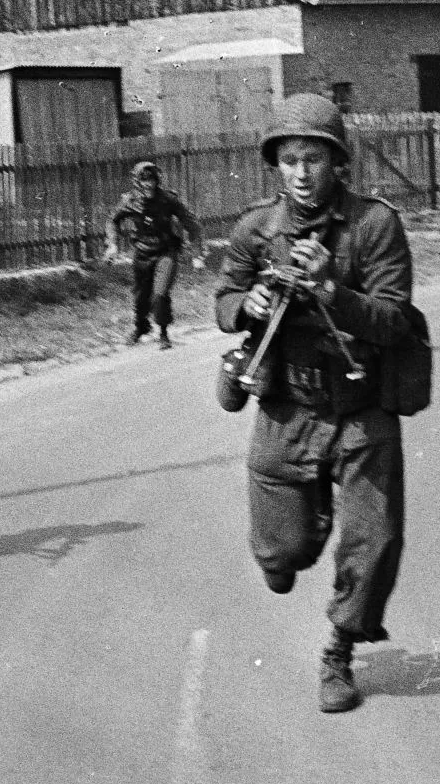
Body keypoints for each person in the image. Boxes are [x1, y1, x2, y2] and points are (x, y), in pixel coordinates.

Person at [216, 93, 418, 714]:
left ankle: (339, 650)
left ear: (338, 163)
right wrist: (245, 304)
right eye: (290, 159)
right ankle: (301, 535)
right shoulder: (256, 228)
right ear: (275, 165)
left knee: (374, 539)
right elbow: (224, 299)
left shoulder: (374, 225)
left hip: (360, 406)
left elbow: (394, 320)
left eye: (314, 158)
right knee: (280, 555)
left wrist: (334, 287)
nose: (302, 172)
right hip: (288, 407)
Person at [106, 159, 203, 349]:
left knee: (159, 293)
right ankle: (141, 327)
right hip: (142, 254)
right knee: (140, 297)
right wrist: (112, 245)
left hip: (165, 253)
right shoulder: (130, 201)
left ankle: (164, 333)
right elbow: (112, 220)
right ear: (137, 182)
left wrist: (197, 254)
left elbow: (192, 224)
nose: (148, 184)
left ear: (157, 180)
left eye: (151, 179)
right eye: (144, 180)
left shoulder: (168, 200)